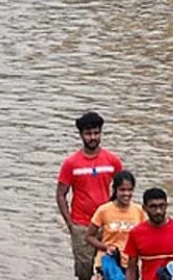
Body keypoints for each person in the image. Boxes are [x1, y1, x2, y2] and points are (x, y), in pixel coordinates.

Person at [57, 112, 124, 280]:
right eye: (88, 133)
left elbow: (123, 189)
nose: (93, 137)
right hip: (81, 225)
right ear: (81, 135)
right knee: (84, 271)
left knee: (111, 269)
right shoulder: (71, 164)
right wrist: (70, 224)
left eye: (96, 133)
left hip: (107, 225)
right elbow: (61, 195)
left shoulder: (112, 161)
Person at [124, 188, 173, 280]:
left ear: (166, 206)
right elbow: (132, 268)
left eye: (161, 206)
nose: (158, 211)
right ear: (144, 208)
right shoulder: (136, 233)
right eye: (153, 207)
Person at [85, 171, 146, 279]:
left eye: (130, 190)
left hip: (130, 264)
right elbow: (89, 237)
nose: (126, 194)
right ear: (115, 190)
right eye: (122, 190)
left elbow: (146, 236)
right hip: (107, 263)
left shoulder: (139, 211)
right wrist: (105, 247)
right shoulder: (104, 210)